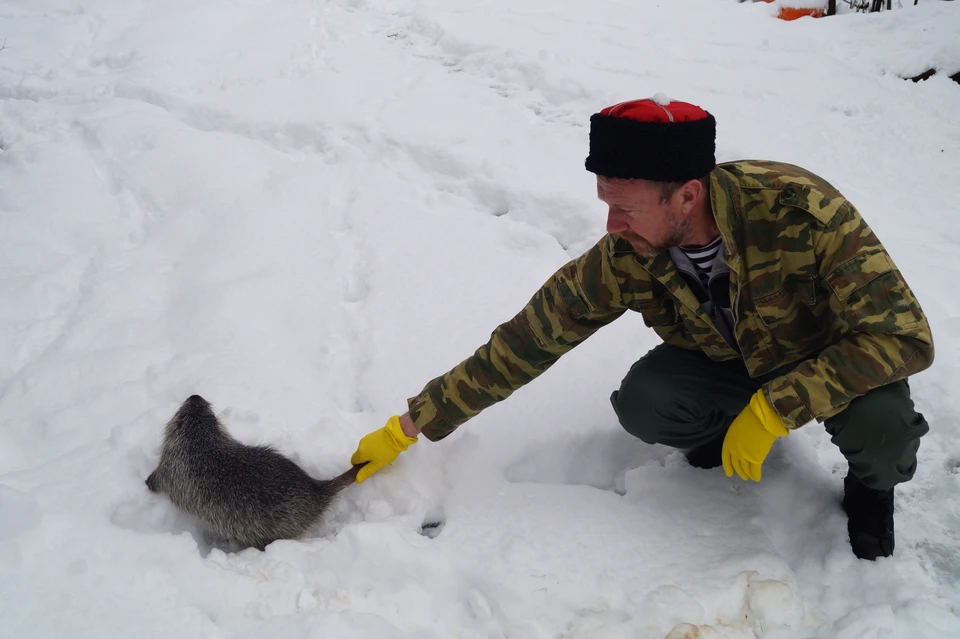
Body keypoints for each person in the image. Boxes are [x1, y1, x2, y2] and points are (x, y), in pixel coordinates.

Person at [349, 97, 934, 560]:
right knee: (646, 402)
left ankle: (869, 488)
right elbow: (526, 341)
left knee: (884, 432)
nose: (610, 224)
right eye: (606, 203)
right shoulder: (626, 252)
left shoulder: (801, 211)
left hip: (828, 361)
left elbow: (904, 337)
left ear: (686, 196)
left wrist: (776, 409)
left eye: (625, 208)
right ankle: (716, 433)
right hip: (728, 367)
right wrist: (409, 426)